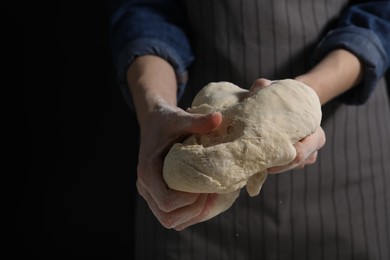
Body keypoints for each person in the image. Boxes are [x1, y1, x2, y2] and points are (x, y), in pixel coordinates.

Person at [109, 0, 390, 259]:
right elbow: (145, 8)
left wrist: (300, 98)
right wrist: (156, 109)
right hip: (190, 167)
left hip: (346, 167)